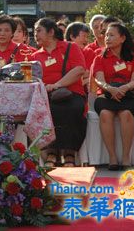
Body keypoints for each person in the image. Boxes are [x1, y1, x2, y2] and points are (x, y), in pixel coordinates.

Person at [32, 18, 86, 167]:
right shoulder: (35, 56)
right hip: (47, 95)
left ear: (51, 32)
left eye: (39, 30)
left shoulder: (70, 47)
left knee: (73, 108)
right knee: (48, 109)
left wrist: (57, 85)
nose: (35, 34)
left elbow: (79, 70)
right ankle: (52, 151)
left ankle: (69, 153)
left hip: (72, 92)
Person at [92, 23, 134, 170]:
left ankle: (126, 157)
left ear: (122, 38)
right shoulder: (100, 57)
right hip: (107, 95)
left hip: (128, 95)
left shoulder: (133, 57)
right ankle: (112, 157)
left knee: (126, 113)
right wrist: (110, 89)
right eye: (106, 35)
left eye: (112, 35)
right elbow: (99, 79)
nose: (107, 38)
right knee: (105, 114)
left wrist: (123, 88)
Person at [65, 22, 95, 87]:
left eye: (87, 37)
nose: (86, 40)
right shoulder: (60, 51)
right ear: (72, 36)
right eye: (84, 36)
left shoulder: (88, 52)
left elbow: (87, 73)